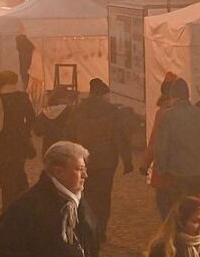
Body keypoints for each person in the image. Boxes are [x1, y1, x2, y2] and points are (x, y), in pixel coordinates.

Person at [65, 78, 134, 244]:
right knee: (103, 196)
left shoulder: (78, 110)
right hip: (106, 161)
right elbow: (121, 136)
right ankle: (100, 230)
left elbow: (68, 133)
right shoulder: (112, 111)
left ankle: (83, 227)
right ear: (103, 94)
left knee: (82, 194)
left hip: (82, 160)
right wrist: (127, 160)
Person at [153, 77, 200, 218]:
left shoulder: (167, 116)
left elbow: (161, 148)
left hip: (176, 172)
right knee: (194, 207)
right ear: (188, 95)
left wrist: (163, 170)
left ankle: (178, 235)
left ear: (172, 96)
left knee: (177, 209)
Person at [0, 70, 36, 208]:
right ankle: (22, 202)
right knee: (19, 171)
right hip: (19, 140)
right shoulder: (22, 97)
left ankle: (7, 203)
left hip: (1, 141)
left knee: (4, 174)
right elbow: (31, 118)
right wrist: (24, 130)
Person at [139, 72, 177, 209]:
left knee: (165, 203)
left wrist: (145, 163)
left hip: (164, 166)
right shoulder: (190, 111)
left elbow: (155, 140)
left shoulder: (163, 112)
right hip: (184, 168)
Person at [33, 86, 72, 155]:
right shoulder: (69, 110)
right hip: (64, 145)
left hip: (48, 146)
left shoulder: (45, 112)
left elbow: (37, 131)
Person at [15, 25, 35, 90]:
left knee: (25, 76)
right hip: (27, 63)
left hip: (27, 63)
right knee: (25, 76)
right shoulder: (21, 39)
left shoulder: (20, 38)